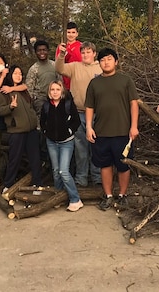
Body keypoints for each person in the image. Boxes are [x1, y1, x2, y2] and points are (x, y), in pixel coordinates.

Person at [85, 48, 139, 210]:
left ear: (116, 61)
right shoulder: (94, 83)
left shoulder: (125, 80)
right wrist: (88, 127)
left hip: (123, 132)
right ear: (99, 63)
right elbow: (89, 107)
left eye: (109, 59)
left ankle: (122, 195)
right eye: (102, 60)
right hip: (101, 132)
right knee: (105, 165)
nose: (106, 62)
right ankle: (108, 195)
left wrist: (134, 126)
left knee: (123, 165)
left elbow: (134, 103)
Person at [55, 41, 102, 187]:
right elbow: (59, 67)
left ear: (94, 54)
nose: (85, 55)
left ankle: (97, 177)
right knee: (80, 148)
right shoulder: (75, 66)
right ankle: (81, 178)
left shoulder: (101, 67)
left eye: (88, 52)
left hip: (98, 114)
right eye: (83, 52)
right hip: (78, 114)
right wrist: (62, 54)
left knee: (97, 147)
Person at [0, 66, 43, 190]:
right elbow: (0, 110)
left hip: (31, 130)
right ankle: (8, 185)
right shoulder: (4, 92)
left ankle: (37, 184)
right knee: (14, 159)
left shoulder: (23, 90)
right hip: (16, 131)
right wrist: (10, 107)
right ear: (10, 75)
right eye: (15, 73)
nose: (18, 76)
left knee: (35, 158)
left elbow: (29, 103)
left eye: (20, 73)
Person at [0, 54, 28, 182]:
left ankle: (13, 171)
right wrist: (2, 76)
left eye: (1, 62)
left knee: (13, 144)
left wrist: (11, 87)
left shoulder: (9, 79)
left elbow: (25, 86)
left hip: (11, 116)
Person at [40, 81, 83, 211]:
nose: (55, 92)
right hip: (52, 142)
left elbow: (76, 121)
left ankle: (75, 199)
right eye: (52, 89)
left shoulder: (68, 104)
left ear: (62, 91)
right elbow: (42, 122)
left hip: (66, 143)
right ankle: (58, 196)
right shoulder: (46, 106)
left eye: (57, 89)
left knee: (64, 171)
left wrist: (69, 131)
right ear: (49, 92)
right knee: (56, 171)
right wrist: (47, 132)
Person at [26, 40, 61, 113]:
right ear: (36, 52)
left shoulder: (54, 65)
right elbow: (29, 89)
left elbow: (60, 81)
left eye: (44, 50)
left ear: (48, 51)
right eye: (39, 50)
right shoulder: (33, 69)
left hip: (55, 97)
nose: (42, 52)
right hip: (40, 99)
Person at [54, 22, 82, 90]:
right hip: (66, 81)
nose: (71, 35)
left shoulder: (82, 46)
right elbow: (58, 65)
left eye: (73, 32)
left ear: (77, 34)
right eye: (68, 32)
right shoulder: (61, 47)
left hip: (79, 79)